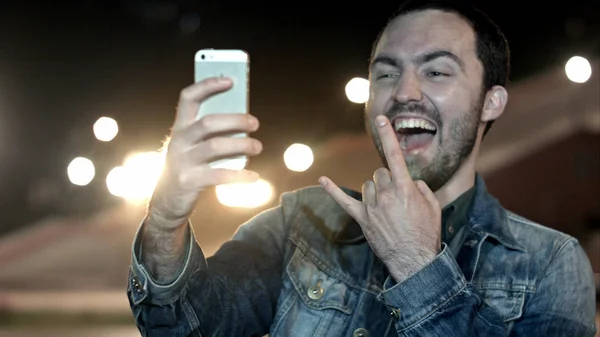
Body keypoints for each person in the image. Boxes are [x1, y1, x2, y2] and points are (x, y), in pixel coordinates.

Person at [126, 0, 598, 336]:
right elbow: (184, 327)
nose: (404, 92)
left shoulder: (550, 263)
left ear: (490, 102)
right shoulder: (301, 222)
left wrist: (418, 268)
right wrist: (165, 220)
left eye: (436, 71)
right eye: (386, 73)